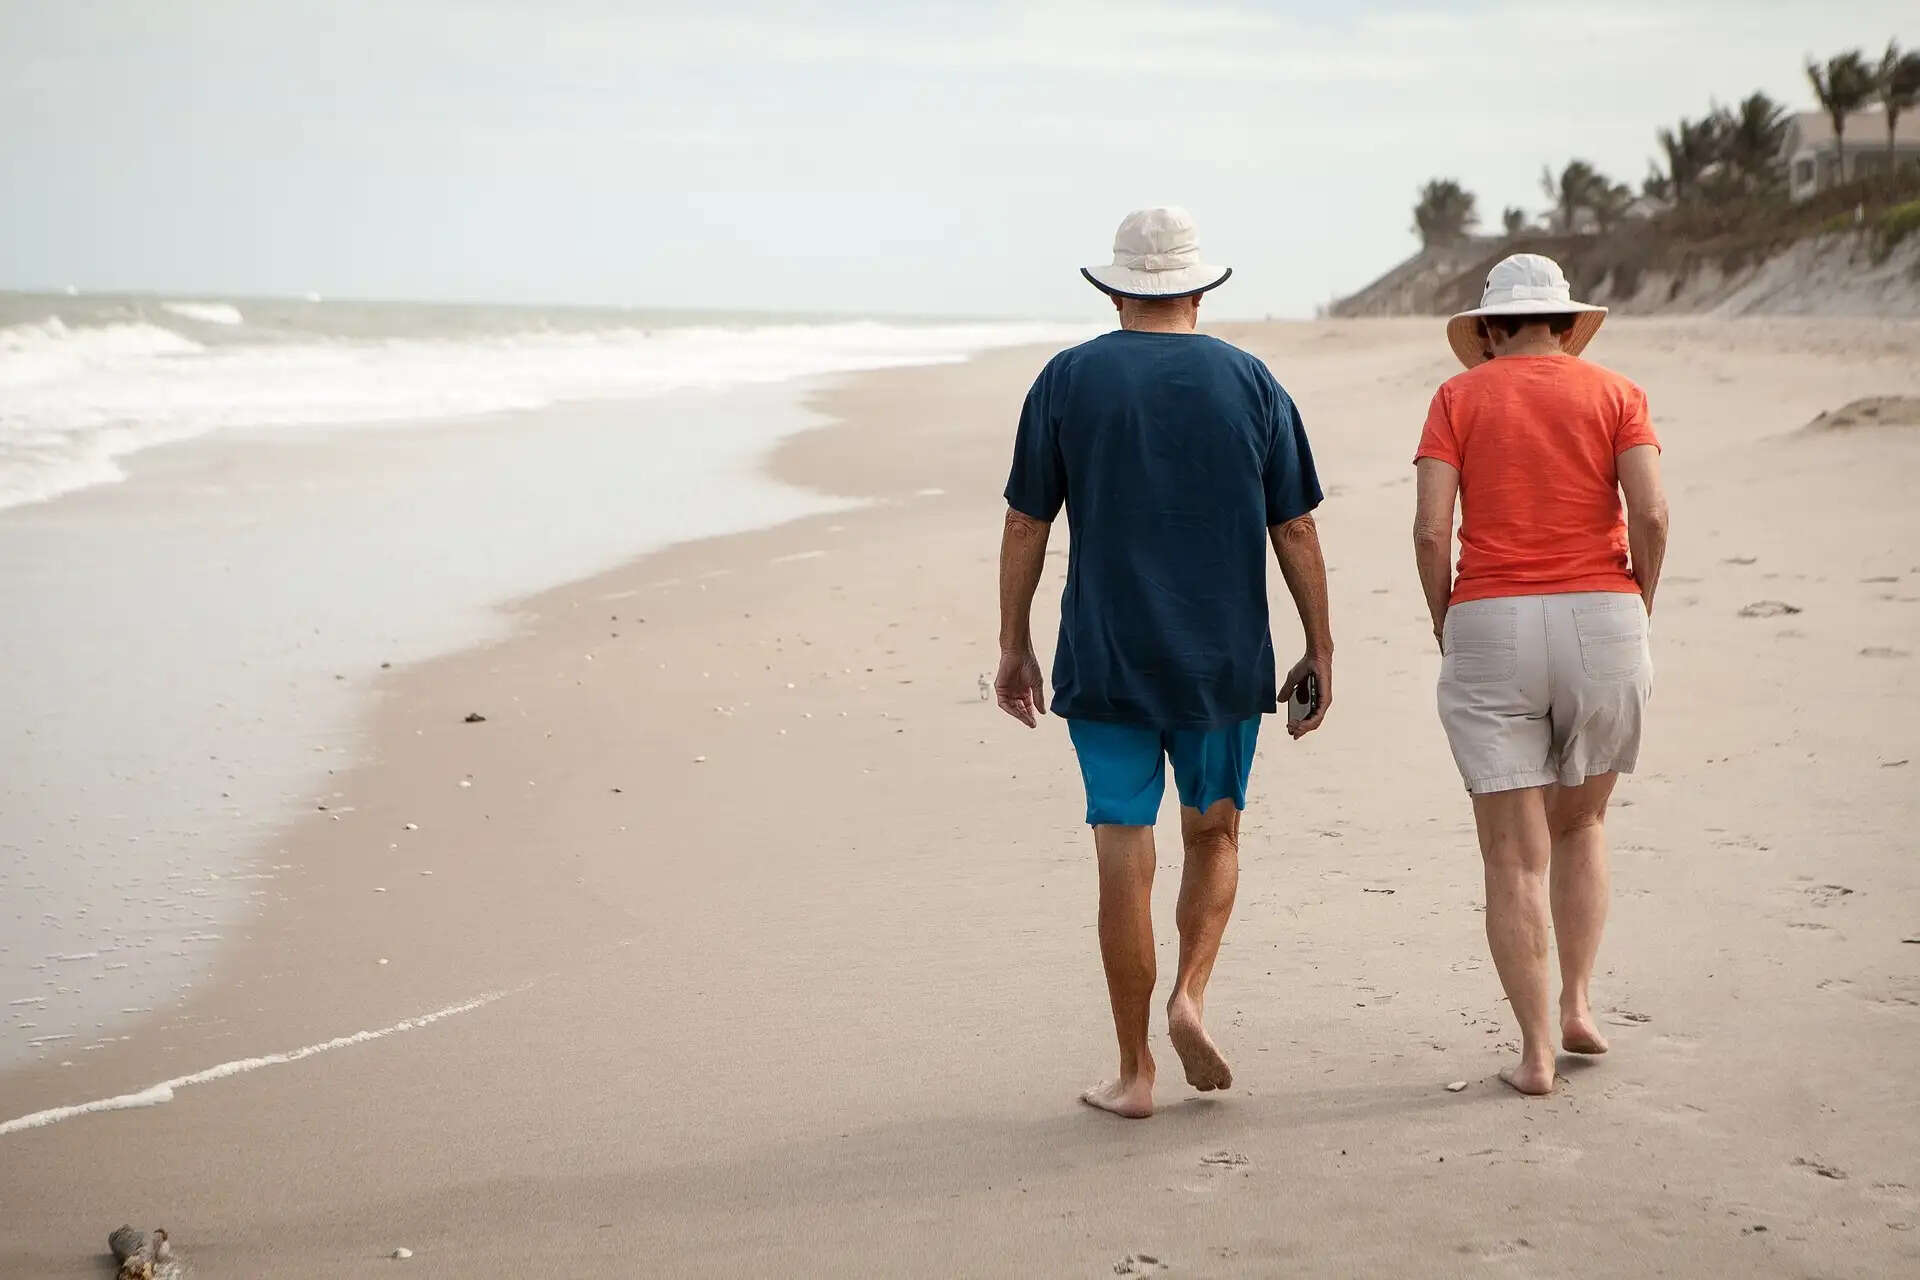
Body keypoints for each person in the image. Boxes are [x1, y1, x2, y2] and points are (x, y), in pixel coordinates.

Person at [996, 207, 1333, 1119]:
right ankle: (1190, 993)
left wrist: (1013, 642)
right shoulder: (1252, 382)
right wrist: (1321, 646)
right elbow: (1293, 525)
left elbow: (1029, 520)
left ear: (1114, 289)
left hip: (1105, 654)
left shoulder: (1067, 380)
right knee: (1214, 835)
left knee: (1122, 846)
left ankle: (1135, 1069)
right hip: (1222, 659)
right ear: (1199, 287)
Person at [1412, 253, 1670, 1097]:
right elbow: (1652, 513)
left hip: (1491, 618)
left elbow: (1429, 531)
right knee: (1582, 825)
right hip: (1603, 613)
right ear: (1565, 324)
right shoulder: (1617, 394)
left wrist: (1448, 620)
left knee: (1511, 857)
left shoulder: (1458, 398)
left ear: (1488, 330)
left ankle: (1533, 1054)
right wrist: (1640, 602)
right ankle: (1580, 1004)